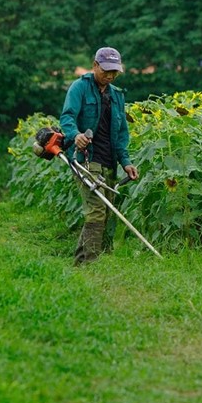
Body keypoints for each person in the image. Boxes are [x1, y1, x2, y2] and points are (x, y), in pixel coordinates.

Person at [59, 46, 139, 265]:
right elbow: (67, 117)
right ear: (95, 65)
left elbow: (122, 132)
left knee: (105, 212)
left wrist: (126, 162)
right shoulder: (79, 88)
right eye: (106, 70)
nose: (110, 75)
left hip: (109, 160)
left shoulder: (117, 95)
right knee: (96, 212)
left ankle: (80, 263)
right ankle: (91, 265)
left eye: (114, 71)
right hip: (85, 157)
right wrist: (75, 135)